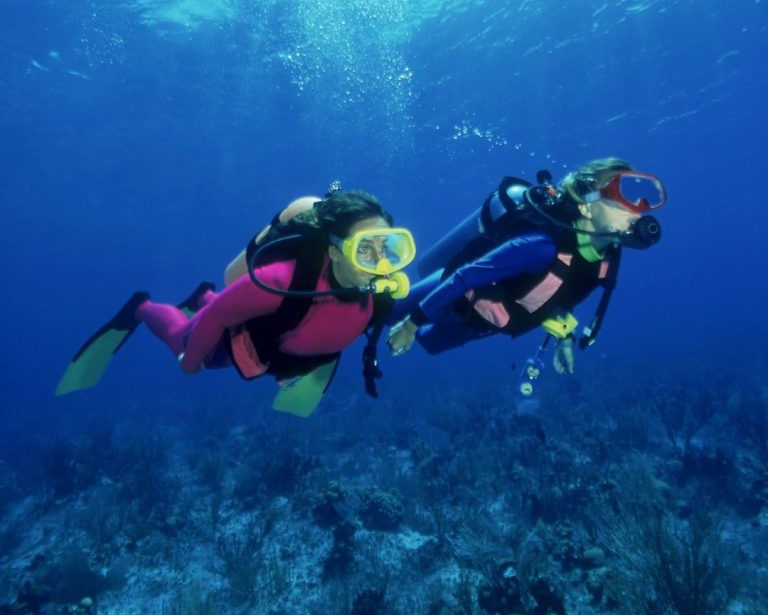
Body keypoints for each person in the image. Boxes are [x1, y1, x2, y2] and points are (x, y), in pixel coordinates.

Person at [58, 189, 416, 417]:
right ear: (335, 251)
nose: (380, 263)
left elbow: (335, 327)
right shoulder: (282, 280)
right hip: (235, 337)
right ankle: (142, 308)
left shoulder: (381, 292)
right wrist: (190, 363)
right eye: (364, 250)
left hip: (274, 344)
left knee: (227, 304)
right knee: (180, 338)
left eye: (387, 247)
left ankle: (203, 294)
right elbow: (217, 317)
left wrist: (411, 325)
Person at [386, 158, 666, 380]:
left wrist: (564, 340)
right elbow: (466, 276)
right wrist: (412, 323)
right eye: (620, 198)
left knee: (429, 344)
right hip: (452, 291)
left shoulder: (607, 257)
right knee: (386, 312)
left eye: (638, 203)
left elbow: (566, 291)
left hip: (482, 323)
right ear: (587, 208)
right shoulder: (540, 247)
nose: (636, 211)